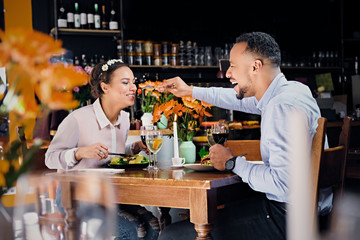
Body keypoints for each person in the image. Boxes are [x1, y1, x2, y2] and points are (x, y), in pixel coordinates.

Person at [157, 32, 330, 240]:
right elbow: (235, 99)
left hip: (288, 219)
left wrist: (232, 163)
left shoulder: (280, 106)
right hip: (310, 213)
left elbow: (282, 184)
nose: (227, 73)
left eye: (233, 66)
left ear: (255, 66)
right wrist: (190, 91)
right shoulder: (293, 91)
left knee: (171, 235)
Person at [45, 59, 160, 240]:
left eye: (133, 81)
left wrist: (132, 148)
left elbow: (112, 156)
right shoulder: (77, 119)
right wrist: (79, 152)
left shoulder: (123, 119)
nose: (133, 87)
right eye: (125, 82)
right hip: (77, 197)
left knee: (152, 225)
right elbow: (50, 158)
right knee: (129, 231)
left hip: (111, 194)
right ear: (105, 87)